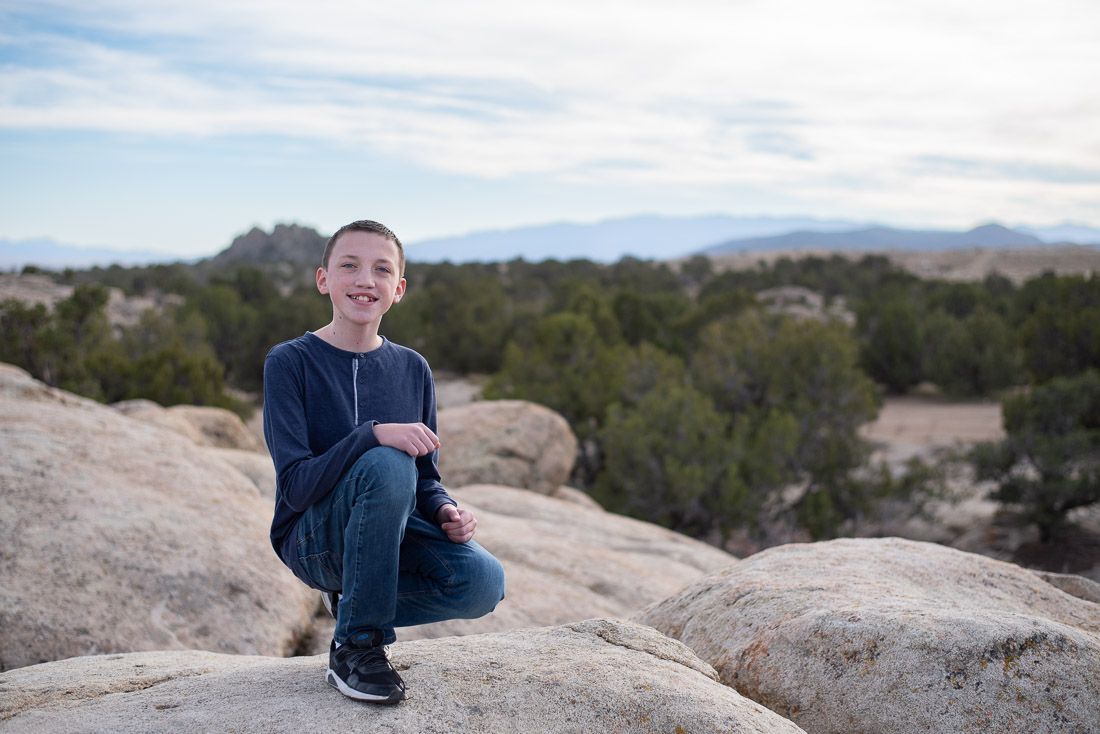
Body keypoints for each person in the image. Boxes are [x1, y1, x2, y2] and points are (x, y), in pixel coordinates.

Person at [262, 219, 506, 705]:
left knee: (482, 582)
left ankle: (353, 606)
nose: (364, 281)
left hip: (391, 531)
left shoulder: (413, 368)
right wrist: (371, 435)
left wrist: (445, 511)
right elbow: (295, 485)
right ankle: (357, 648)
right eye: (349, 266)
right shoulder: (290, 362)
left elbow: (427, 478)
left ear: (398, 289)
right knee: (387, 462)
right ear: (323, 279)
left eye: (380, 270)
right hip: (314, 538)